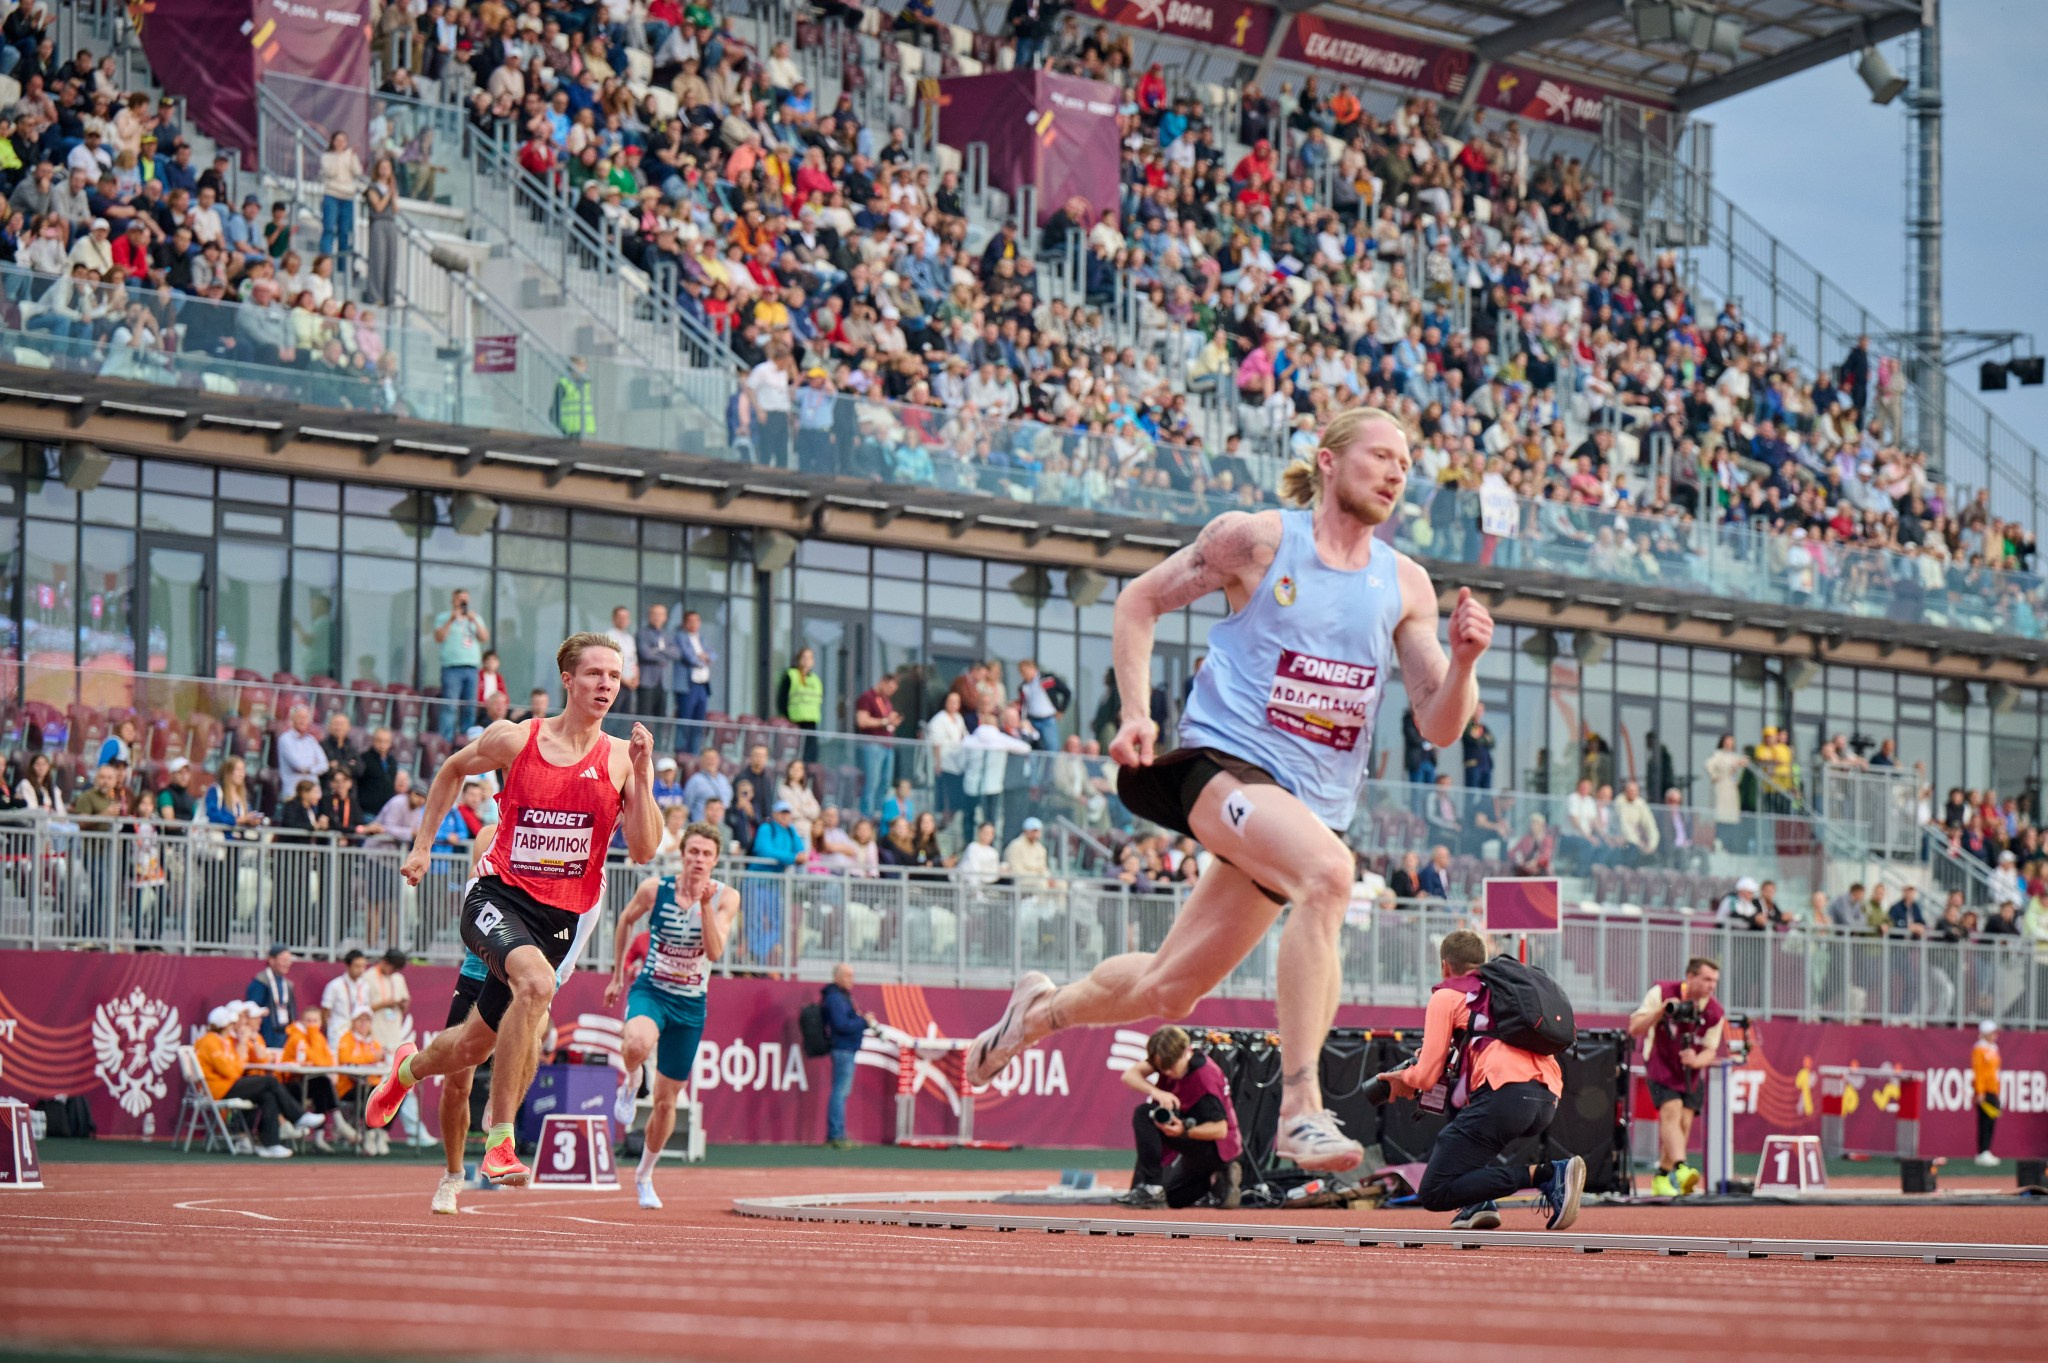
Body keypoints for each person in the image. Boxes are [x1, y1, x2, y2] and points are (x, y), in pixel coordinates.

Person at [963, 408, 1493, 1172]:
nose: (1396, 471)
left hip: (1298, 810)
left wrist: (1466, 662)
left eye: (1406, 463)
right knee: (1330, 875)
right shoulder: (1259, 540)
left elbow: (1440, 724)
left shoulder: (1404, 583)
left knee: (1167, 990)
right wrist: (1138, 711)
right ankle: (1304, 1109)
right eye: (1381, 455)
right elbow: (1137, 601)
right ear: (1330, 461)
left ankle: (1034, 1014)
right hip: (1222, 768)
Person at [362, 632, 660, 1188]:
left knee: (475, 1043)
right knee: (537, 985)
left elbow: (643, 849)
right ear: (567, 680)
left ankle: (405, 1071)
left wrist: (643, 776)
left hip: (558, 918)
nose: (606, 685)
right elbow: (451, 769)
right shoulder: (516, 739)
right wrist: (423, 844)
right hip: (497, 896)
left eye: (615, 677)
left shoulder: (623, 756)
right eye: (595, 674)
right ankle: (500, 1141)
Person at [1370, 930, 1584, 1230]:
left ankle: (1548, 1175)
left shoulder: (1447, 995)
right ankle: (1478, 1204)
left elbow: (1427, 1075)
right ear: (1481, 962)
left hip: (1505, 1095)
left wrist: (1404, 1078)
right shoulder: (1502, 992)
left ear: (1445, 966)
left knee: (1435, 1190)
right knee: (1465, 1138)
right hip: (1546, 1098)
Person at [604, 822, 741, 1207]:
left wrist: (703, 905)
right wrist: (617, 976)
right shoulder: (654, 889)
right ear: (682, 854)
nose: (699, 860)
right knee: (636, 1043)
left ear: (715, 860)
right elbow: (625, 921)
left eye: (706, 855)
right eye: (693, 852)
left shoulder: (726, 898)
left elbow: (714, 953)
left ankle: (645, 1175)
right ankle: (632, 1082)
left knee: (667, 1102)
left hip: (690, 1004)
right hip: (652, 989)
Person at [1117, 1024, 1245, 1209]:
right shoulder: (1167, 1058)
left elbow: (1220, 1129)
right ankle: (1213, 1181)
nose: (1167, 1072)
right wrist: (1157, 1092)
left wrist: (1184, 1130)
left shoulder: (1204, 1079)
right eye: (1162, 1068)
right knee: (1173, 1200)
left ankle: (1152, 1187)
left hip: (1215, 1147)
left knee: (1144, 1114)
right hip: (1190, 1145)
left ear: (1186, 1052)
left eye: (1171, 1067)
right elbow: (1129, 1075)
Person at [1626, 957, 1724, 1197]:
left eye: (1715, 981)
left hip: (1689, 1072)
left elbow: (1710, 1050)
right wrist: (1660, 1012)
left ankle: (1661, 1177)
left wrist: (1696, 1060)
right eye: (1707, 979)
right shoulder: (1662, 993)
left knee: (1683, 1124)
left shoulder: (1714, 1012)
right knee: (1671, 1112)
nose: (1712, 986)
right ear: (1690, 977)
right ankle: (1681, 1168)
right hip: (1660, 1065)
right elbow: (1634, 1027)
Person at [194, 1004, 323, 1157]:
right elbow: (232, 1071)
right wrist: (240, 1053)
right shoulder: (210, 1042)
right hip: (218, 1089)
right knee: (269, 1082)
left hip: (226, 1085)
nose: (235, 1025)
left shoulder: (221, 1041)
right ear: (224, 1025)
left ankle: (270, 1144)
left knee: (268, 1095)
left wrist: (238, 1062)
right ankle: (298, 1117)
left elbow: (237, 1065)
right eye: (231, 1022)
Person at [821, 963, 877, 1148]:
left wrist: (861, 1021)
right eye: (847, 976)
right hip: (843, 1049)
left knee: (842, 1092)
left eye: (852, 976)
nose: (851, 980)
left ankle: (838, 1133)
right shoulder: (835, 998)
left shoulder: (842, 997)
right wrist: (863, 1022)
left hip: (847, 1048)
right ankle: (836, 1134)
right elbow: (842, 1025)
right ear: (837, 977)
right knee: (839, 1092)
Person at [433, 588, 490, 740]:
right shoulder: (444, 617)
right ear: (453, 600)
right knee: (450, 706)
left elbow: (484, 637)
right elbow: (439, 637)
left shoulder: (474, 618)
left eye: (465, 599)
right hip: (452, 667)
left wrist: (475, 621)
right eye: (460, 599)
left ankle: (466, 740)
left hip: (471, 668)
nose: (463, 602)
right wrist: (451, 619)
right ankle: (446, 740)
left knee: (470, 707)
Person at [852, 673, 901, 822]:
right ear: (882, 682)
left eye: (894, 689)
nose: (891, 692)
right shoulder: (867, 698)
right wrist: (885, 721)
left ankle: (878, 817)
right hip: (872, 745)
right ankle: (866, 818)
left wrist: (892, 722)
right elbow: (862, 721)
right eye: (890, 687)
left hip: (887, 746)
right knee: (871, 783)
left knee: (885, 784)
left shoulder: (886, 702)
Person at [636, 603, 680, 739]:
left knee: (661, 717)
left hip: (663, 682)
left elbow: (676, 653)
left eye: (660, 614)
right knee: (644, 717)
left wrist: (658, 649)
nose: (657, 617)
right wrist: (664, 653)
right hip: (647, 681)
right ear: (649, 616)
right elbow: (645, 653)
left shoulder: (667, 635)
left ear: (665, 617)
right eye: (654, 614)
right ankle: (639, 743)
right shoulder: (642, 633)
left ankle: (658, 746)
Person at [674, 609, 714, 753]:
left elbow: (713, 655)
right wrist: (702, 657)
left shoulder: (701, 638)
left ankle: (695, 753)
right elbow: (689, 657)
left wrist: (703, 656)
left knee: (699, 723)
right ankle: (681, 753)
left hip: (702, 686)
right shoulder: (681, 637)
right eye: (690, 621)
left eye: (696, 621)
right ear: (685, 623)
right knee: (685, 721)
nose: (694, 624)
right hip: (688, 686)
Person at [244, 944, 298, 1050]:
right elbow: (253, 1009)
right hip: (266, 1034)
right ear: (271, 960)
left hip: (284, 1034)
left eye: (289, 960)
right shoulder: (261, 982)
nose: (287, 964)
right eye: (284, 960)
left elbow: (291, 1010)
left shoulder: (287, 984)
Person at [320, 950, 372, 1048]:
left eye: (363, 966)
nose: (361, 970)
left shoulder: (365, 986)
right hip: (339, 1031)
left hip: (358, 1033)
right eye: (357, 966)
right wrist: (326, 1030)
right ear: (347, 966)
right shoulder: (335, 985)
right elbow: (325, 1011)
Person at [779, 646, 823, 764]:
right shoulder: (791, 675)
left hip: (811, 722)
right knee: (797, 754)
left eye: (810, 658)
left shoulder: (815, 679)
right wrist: (787, 717)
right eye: (804, 657)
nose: (807, 661)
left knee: (811, 756)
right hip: (795, 722)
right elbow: (782, 699)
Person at [1972, 1020, 2001, 1167]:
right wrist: (1980, 1091)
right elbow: (1979, 1073)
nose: (1995, 1035)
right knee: (1984, 1122)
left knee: (1991, 1123)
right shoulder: (1979, 1049)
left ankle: (1986, 1150)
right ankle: (1982, 1151)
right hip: (1985, 1092)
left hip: (1993, 1090)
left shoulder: (1993, 1049)